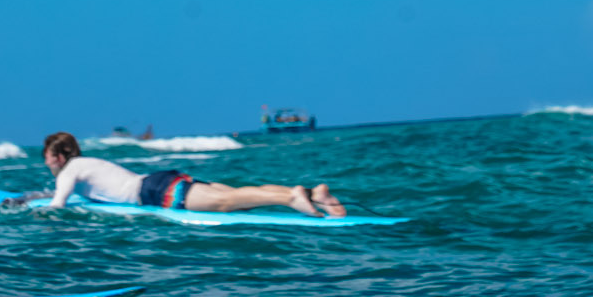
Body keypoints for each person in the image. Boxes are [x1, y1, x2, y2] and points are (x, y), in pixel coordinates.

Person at [20, 131, 347, 217]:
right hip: (158, 180)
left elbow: (59, 203)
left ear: (59, 157)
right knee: (234, 196)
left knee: (228, 202)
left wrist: (39, 215)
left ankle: (293, 198)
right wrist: (34, 196)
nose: (46, 163)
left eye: (47, 158)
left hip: (154, 193)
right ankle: (309, 193)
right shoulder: (87, 163)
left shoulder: (69, 169)